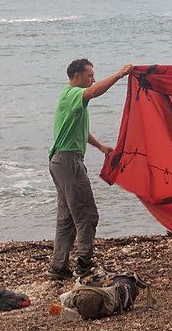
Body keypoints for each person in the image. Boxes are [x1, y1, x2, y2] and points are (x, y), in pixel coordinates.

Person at [47, 59, 133, 279]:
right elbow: (94, 92)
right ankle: (84, 264)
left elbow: (79, 131)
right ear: (77, 76)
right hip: (68, 163)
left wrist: (101, 147)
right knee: (87, 214)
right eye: (90, 75)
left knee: (66, 217)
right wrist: (119, 74)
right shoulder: (72, 94)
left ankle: (59, 267)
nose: (92, 79)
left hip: (61, 161)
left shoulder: (73, 102)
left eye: (94, 75)